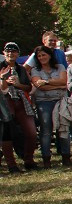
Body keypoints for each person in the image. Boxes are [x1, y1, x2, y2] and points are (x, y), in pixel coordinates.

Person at [28, 44, 72, 168]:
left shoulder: (60, 67)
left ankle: (66, 156)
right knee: (46, 130)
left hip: (60, 101)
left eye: (44, 55)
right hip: (44, 102)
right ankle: (46, 158)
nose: (42, 57)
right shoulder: (35, 70)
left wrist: (46, 81)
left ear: (49, 55)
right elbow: (39, 86)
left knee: (63, 129)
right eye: (39, 56)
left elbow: (64, 81)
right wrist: (57, 85)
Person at [2, 42, 39, 171]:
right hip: (4, 103)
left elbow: (28, 88)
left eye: (13, 51)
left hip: (21, 102)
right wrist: (4, 80)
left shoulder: (21, 69)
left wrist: (18, 84)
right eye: (8, 51)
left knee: (31, 133)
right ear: (4, 53)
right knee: (6, 134)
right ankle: (11, 165)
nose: (10, 53)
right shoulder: (0, 67)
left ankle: (28, 160)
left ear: (18, 53)